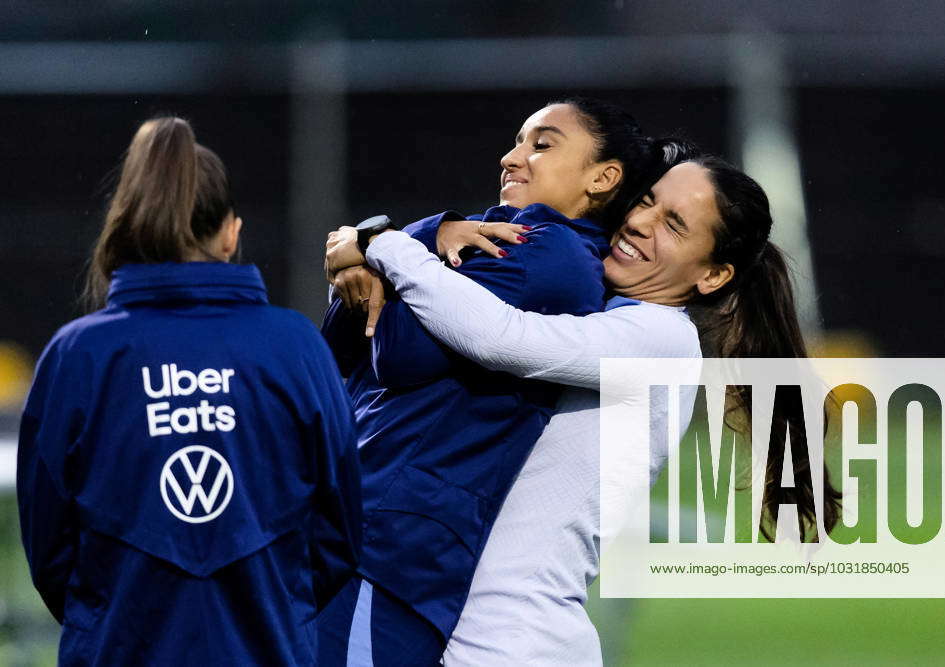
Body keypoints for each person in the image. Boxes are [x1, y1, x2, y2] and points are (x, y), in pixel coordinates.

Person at [326, 146, 841, 665]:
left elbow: (501, 337)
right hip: (464, 628)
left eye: (675, 225)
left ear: (713, 276)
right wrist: (399, 246)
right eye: (646, 201)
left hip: (514, 643)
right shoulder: (601, 308)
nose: (640, 223)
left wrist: (385, 244)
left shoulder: (660, 338)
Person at [318, 97, 653, 665]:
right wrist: (384, 259)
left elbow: (400, 354)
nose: (512, 157)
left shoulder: (552, 256)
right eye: (519, 141)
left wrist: (381, 246)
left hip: (391, 545)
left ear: (604, 176)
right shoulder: (492, 235)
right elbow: (342, 347)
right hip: (359, 524)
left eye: (542, 145)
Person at [17, 117, 363, 666]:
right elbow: (339, 535)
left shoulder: (77, 355)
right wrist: (270, 608)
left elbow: (50, 553)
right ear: (231, 233)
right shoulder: (295, 348)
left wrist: (115, 615)